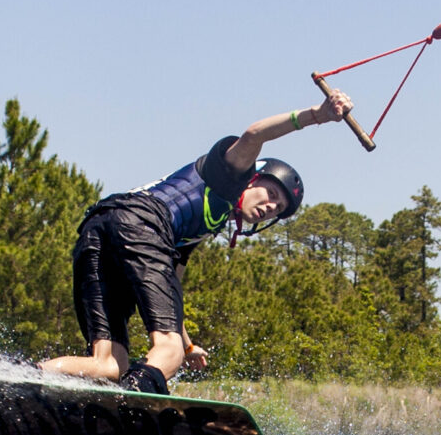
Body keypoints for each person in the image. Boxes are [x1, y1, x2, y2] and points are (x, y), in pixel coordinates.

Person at [39, 89, 354, 394]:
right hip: (143, 223)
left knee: (108, 364)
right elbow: (254, 134)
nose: (271, 206)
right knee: (168, 352)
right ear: (254, 179)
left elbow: (171, 288)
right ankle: (130, 406)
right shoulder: (229, 174)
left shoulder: (198, 227)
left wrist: (188, 344)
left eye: (278, 208)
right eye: (271, 194)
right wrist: (317, 115)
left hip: (99, 228)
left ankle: (19, 376)